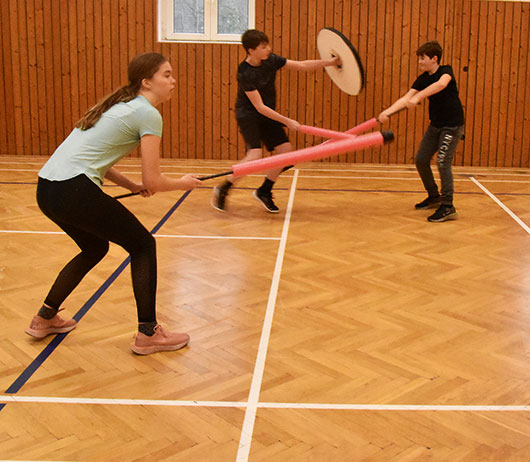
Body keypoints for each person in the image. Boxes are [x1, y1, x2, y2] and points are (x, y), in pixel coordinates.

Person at [28, 52, 202, 355]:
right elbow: (154, 181)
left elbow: (99, 161)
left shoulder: (118, 108)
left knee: (95, 247)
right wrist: (183, 184)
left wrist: (131, 185)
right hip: (74, 189)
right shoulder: (147, 113)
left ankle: (45, 318)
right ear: (146, 82)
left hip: (47, 189)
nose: (173, 81)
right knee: (143, 245)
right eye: (167, 74)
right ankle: (148, 333)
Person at [212, 29, 339, 213]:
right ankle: (224, 187)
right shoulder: (245, 72)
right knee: (255, 155)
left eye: (268, 45)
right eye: (263, 47)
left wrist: (331, 62)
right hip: (249, 114)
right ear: (251, 50)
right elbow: (259, 107)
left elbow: (302, 65)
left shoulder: (271, 60)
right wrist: (287, 121)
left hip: (268, 114)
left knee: (286, 153)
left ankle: (264, 191)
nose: (268, 49)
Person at [378, 40, 465, 222]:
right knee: (421, 159)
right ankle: (434, 196)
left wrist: (419, 96)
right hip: (436, 125)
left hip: (452, 125)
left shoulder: (445, 71)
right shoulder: (423, 78)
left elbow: (441, 85)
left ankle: (448, 205)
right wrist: (388, 112)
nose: (419, 62)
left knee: (442, 162)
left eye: (422, 58)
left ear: (434, 59)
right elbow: (406, 98)